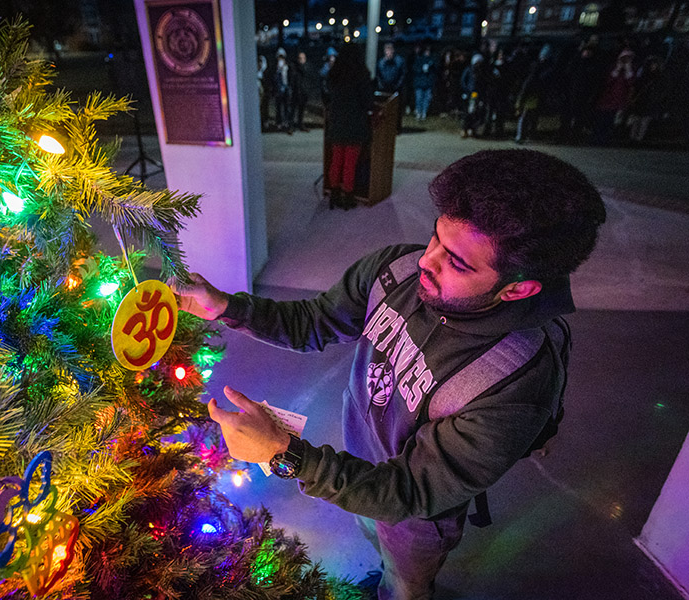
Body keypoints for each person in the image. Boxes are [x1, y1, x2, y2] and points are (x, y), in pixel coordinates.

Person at [172, 149, 607, 600]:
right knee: (371, 532)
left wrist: (287, 454)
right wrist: (226, 306)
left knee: (404, 581)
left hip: (417, 513)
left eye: (457, 262)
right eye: (435, 238)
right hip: (358, 461)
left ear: (517, 288)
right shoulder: (396, 269)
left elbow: (411, 490)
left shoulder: (516, 380)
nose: (427, 261)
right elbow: (315, 320)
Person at [323, 45, 373, 210]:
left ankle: (334, 194)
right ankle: (348, 197)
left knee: (336, 160)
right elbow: (367, 102)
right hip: (354, 123)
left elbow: (327, 96)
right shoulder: (361, 74)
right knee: (350, 162)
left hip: (337, 122)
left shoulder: (334, 74)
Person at [412, 46, 437, 121]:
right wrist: (421, 69)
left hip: (428, 84)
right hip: (419, 83)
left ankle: (424, 113)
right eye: (426, 51)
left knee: (427, 99)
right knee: (419, 98)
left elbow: (434, 72)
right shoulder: (419, 60)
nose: (427, 53)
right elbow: (414, 69)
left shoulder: (431, 61)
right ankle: (419, 112)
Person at [273, 47, 293, 134]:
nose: (281, 59)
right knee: (278, 107)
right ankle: (279, 123)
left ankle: (287, 123)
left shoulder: (288, 67)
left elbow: (291, 77)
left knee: (287, 107)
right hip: (278, 89)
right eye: (279, 58)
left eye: (282, 58)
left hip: (286, 88)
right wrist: (278, 70)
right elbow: (273, 79)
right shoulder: (275, 68)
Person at [291, 51, 312, 132]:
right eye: (300, 58)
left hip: (304, 91)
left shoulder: (306, 67)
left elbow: (309, 78)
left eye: (303, 58)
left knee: (301, 109)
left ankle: (300, 124)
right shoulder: (294, 68)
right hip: (296, 91)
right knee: (293, 110)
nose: (302, 60)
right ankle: (291, 125)